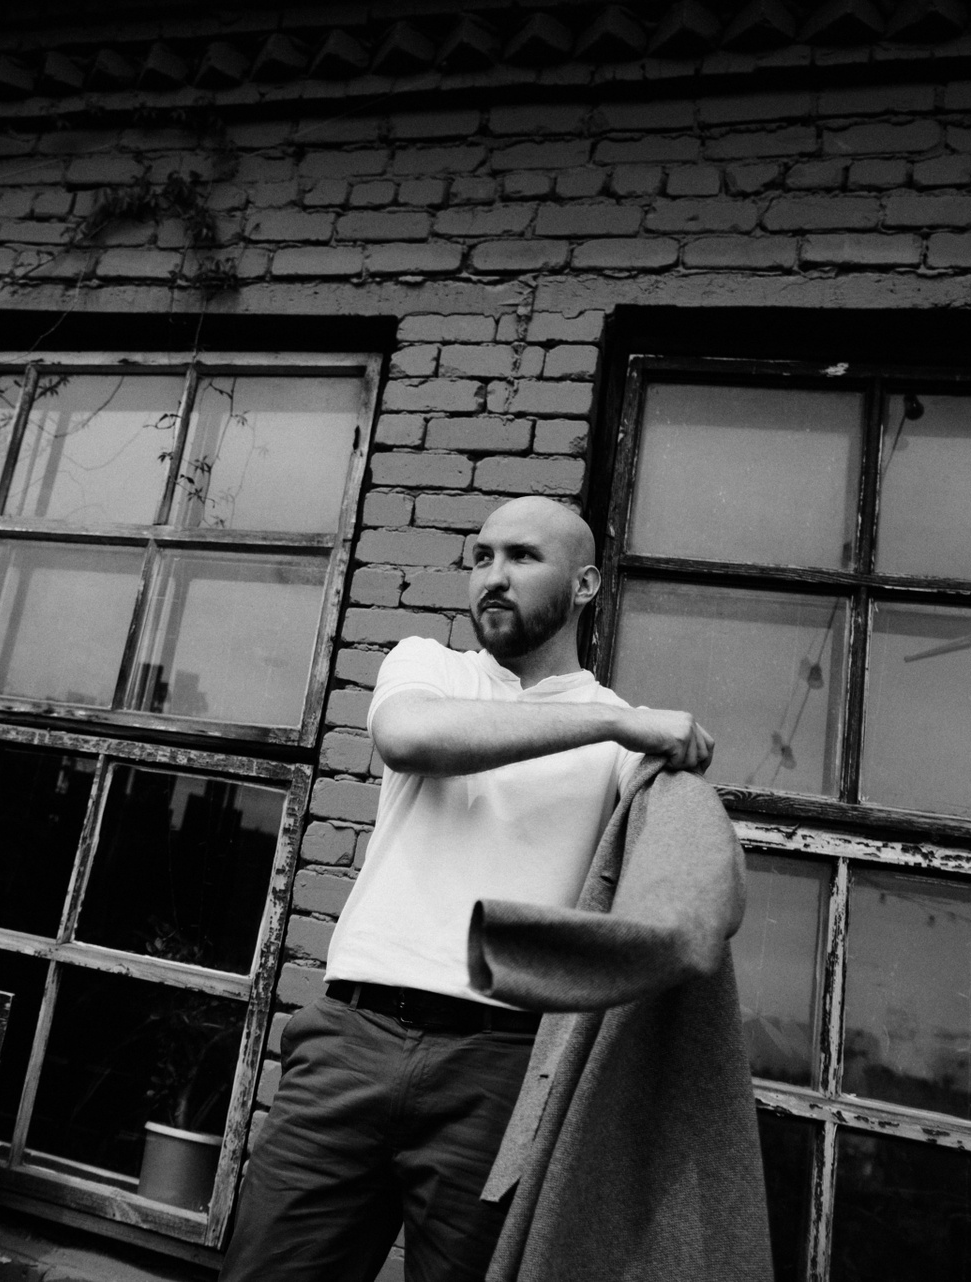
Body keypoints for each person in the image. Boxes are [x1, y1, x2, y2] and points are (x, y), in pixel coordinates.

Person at [217, 495, 713, 1282]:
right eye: (482, 557)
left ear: (585, 585)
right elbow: (409, 738)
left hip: (501, 1067)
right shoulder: (430, 667)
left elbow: (683, 872)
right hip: (352, 1038)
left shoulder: (626, 741)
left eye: (522, 557)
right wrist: (616, 724)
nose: (493, 576)